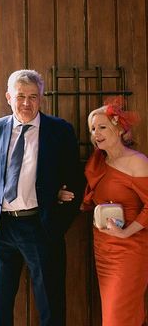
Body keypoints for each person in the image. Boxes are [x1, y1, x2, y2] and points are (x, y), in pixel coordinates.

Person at [0, 69, 82, 326]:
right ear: (8, 97)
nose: (26, 103)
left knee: (51, 304)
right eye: (20, 96)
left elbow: (76, 180)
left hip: (41, 227)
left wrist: (56, 226)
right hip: (2, 229)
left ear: (41, 98)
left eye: (33, 97)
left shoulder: (59, 130)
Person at [80, 97, 148, 326]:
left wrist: (127, 232)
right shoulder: (98, 161)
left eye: (102, 127)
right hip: (103, 247)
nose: (95, 133)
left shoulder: (137, 162)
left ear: (118, 129)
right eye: (92, 129)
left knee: (120, 315)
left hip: (130, 249)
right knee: (112, 313)